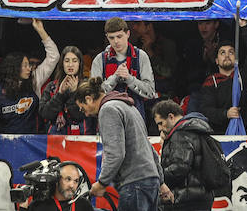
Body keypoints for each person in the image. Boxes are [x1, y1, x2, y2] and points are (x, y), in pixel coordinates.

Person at [75, 78, 163, 211]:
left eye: (83, 109)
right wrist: (160, 181)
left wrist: (102, 183)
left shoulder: (108, 110)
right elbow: (149, 148)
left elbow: (115, 154)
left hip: (134, 184)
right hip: (151, 182)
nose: (86, 114)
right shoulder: (129, 107)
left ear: (89, 99)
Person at [0, 19, 58, 133]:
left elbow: (54, 56)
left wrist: (41, 31)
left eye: (29, 65)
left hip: (32, 141)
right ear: (14, 68)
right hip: (5, 141)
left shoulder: (34, 80)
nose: (29, 68)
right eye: (25, 65)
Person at [153, 100, 220, 211]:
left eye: (161, 123)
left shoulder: (180, 134)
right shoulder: (196, 130)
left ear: (171, 117)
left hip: (185, 199)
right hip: (202, 196)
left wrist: (157, 178)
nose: (160, 128)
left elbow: (178, 169)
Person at [90, 17, 157, 109]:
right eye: (111, 38)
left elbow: (150, 92)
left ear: (128, 34)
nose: (116, 41)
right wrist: (114, 78)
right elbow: (94, 95)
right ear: (107, 37)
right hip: (108, 114)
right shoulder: (99, 60)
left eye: (119, 36)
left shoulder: (141, 56)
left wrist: (129, 79)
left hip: (136, 113)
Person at [39, 45, 91, 134]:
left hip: (82, 138)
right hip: (56, 138)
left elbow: (80, 115)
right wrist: (60, 94)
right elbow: (45, 114)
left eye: (74, 61)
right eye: (67, 61)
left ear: (80, 63)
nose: (70, 65)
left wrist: (74, 93)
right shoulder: (51, 87)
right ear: (62, 63)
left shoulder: (87, 86)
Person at [24, 162, 92, 211]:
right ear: (57, 179)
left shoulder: (83, 204)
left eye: (76, 181)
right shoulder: (39, 205)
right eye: (68, 179)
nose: (72, 185)